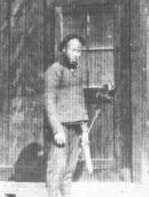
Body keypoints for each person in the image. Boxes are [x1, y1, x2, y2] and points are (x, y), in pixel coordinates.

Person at [45, 34, 90, 197]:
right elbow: (49, 103)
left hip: (76, 127)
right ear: (64, 50)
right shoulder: (54, 71)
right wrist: (57, 130)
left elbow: (81, 100)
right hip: (62, 128)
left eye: (79, 51)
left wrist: (84, 129)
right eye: (73, 50)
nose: (76, 54)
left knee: (69, 170)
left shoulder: (78, 71)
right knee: (57, 170)